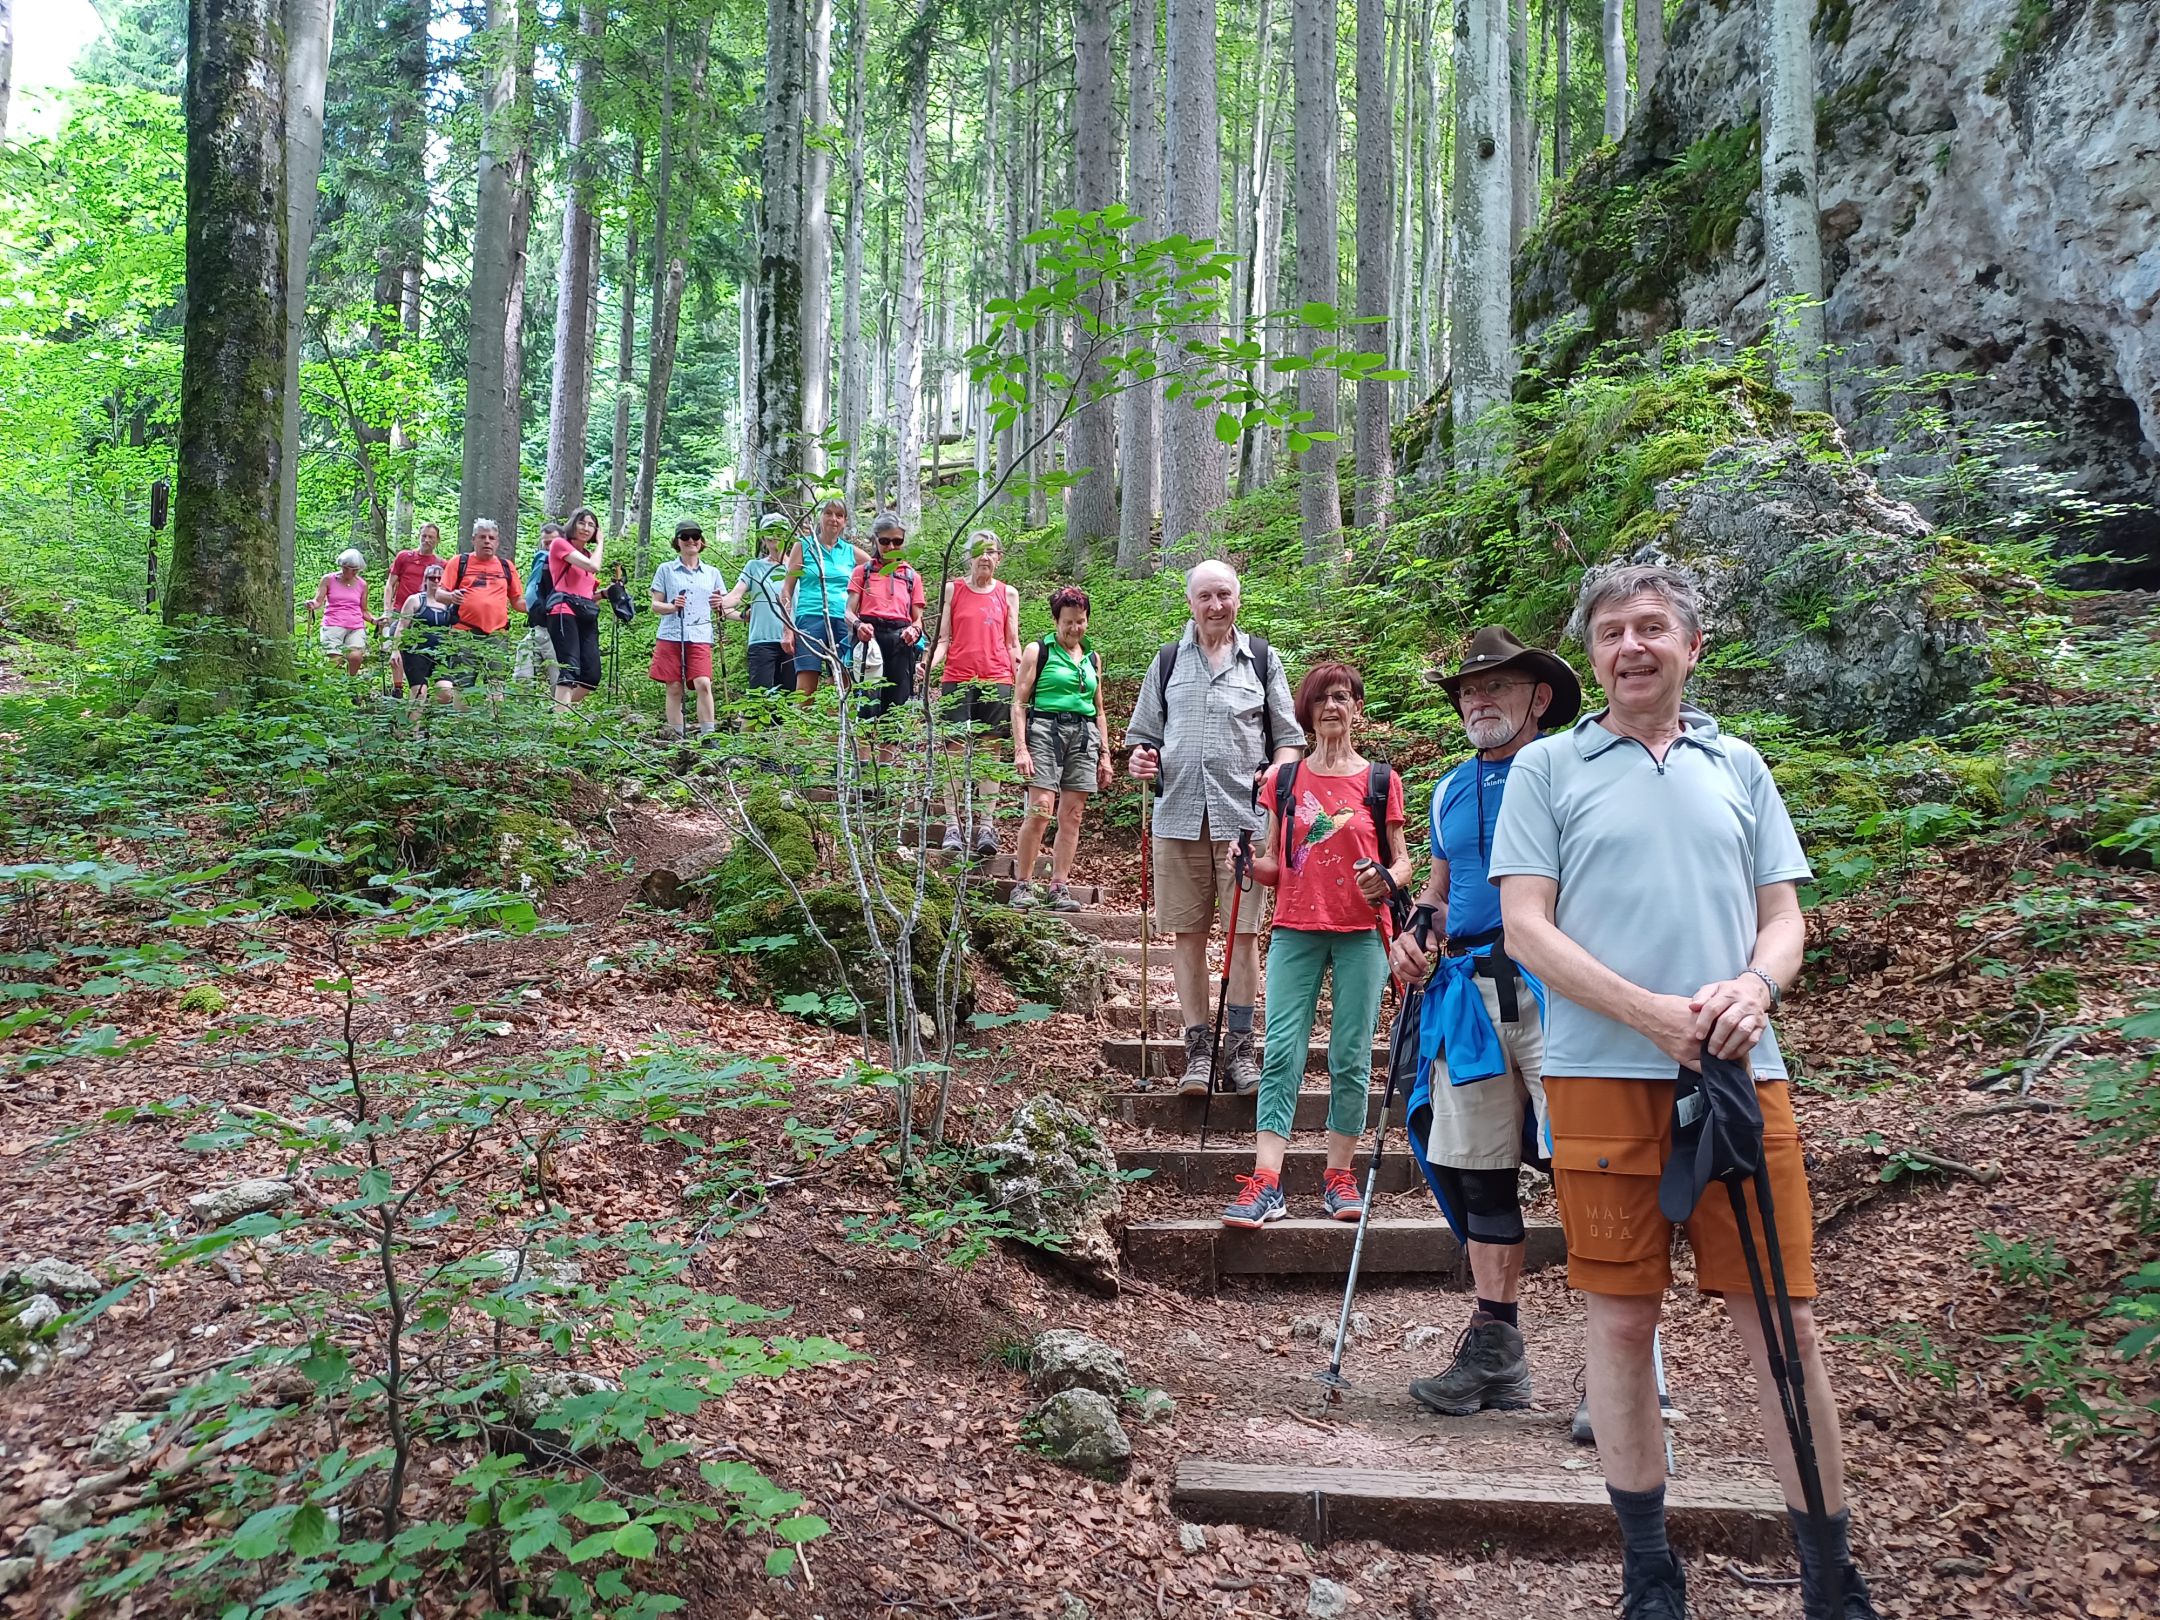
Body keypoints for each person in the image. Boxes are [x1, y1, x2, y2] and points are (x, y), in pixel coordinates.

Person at [1491, 564, 1878, 1620]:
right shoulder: (1548, 769)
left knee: (1787, 1330)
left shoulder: (1738, 765)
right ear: (1592, 656)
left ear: (1691, 646)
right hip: (1600, 1078)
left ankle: (1830, 1578)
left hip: (1743, 1077)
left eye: (1652, 627)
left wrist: (1756, 988)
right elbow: (1526, 926)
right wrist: (1649, 1014)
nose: (1631, 646)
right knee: (1621, 1326)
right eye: (1612, 631)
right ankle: (1650, 1571)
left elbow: (1784, 917)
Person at [1385, 626, 1580, 1415]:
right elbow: (1440, 893)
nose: (1478, 700)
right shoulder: (1450, 790)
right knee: (1478, 1169)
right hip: (1468, 992)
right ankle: (1498, 1350)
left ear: (1540, 697)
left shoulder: (1573, 774)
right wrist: (1414, 937)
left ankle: (1625, 1368)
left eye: (1496, 685)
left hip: (1561, 987)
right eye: (1468, 690)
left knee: (1589, 1162)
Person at [1219, 662, 1409, 1226]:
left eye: (1343, 697)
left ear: (1357, 709)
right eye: (1323, 699)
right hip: (1296, 928)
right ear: (1307, 711)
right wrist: (1246, 862)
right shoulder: (1285, 780)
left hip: (1362, 933)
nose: (1332, 707)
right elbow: (1276, 863)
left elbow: (1402, 862)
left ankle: (1338, 1176)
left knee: (1351, 1054)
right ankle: (1267, 1180)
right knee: (1282, 1050)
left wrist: (1387, 879)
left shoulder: (1380, 780)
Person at [1125, 560, 1304, 1094]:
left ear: (1237, 600)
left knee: (1242, 936)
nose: (1215, 605)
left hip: (1244, 823)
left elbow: (1289, 740)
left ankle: (1241, 1050)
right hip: (1177, 816)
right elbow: (1144, 737)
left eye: (1224, 594)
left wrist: (1278, 772)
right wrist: (1142, 759)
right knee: (1188, 936)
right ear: (1191, 603)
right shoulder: (1167, 661)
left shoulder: (1262, 661)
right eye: (1205, 596)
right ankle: (1197, 1050)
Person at [1008, 586, 1113, 910]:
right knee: (1041, 808)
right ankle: (1022, 884)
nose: (1075, 628)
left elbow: (1098, 709)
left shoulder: (1092, 657)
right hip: (1045, 730)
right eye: (1068, 622)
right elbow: (1018, 703)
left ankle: (1059, 886)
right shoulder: (1038, 651)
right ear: (1056, 620)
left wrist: (1105, 754)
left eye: (1080, 621)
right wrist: (1021, 748)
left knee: (1073, 815)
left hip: (1083, 736)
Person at [927, 529, 1021, 856]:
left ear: (999, 558)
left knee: (990, 751)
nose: (985, 557)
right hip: (957, 677)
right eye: (979, 551)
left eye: (991, 552)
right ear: (968, 556)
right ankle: (953, 825)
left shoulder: (1008, 593)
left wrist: (1022, 677)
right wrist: (928, 666)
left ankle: (987, 826)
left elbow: (1012, 642)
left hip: (997, 677)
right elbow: (943, 640)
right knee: (953, 751)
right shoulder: (953, 589)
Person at [782, 499, 868, 696]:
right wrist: (787, 629)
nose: (833, 519)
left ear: (845, 521)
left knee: (840, 685)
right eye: (828, 513)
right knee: (806, 687)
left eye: (839, 515)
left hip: (843, 621)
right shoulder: (803, 546)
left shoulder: (850, 552)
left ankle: (836, 718)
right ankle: (800, 718)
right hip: (809, 618)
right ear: (820, 517)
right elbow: (786, 589)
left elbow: (878, 570)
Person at [650, 518, 726, 738]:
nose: (691, 540)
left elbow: (723, 604)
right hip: (671, 634)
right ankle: (677, 737)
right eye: (685, 536)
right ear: (677, 541)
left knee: (703, 683)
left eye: (695, 536)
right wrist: (673, 606)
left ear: (701, 541)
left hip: (700, 634)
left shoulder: (712, 573)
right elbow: (656, 605)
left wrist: (725, 608)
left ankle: (709, 736)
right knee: (674, 686)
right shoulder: (666, 569)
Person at [848, 513, 927, 720]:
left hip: (900, 640)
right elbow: (848, 611)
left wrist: (914, 630)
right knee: (867, 702)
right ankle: (865, 741)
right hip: (869, 637)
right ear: (875, 540)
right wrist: (858, 625)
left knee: (896, 705)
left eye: (897, 541)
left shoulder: (911, 576)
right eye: (884, 541)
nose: (891, 547)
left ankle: (890, 742)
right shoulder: (862, 572)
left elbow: (917, 618)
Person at [437, 519, 523, 699]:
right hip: (464, 633)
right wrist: (451, 596)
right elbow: (439, 594)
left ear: (497, 542)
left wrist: (543, 608)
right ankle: (461, 717)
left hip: (497, 634)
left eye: (491, 538)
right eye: (482, 537)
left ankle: (493, 716)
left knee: (496, 683)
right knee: (462, 683)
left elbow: (518, 602)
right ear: (473, 539)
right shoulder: (460, 562)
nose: (487, 541)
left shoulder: (506, 566)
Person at [723, 514, 796, 694]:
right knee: (759, 699)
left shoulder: (798, 567)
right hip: (761, 641)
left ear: (787, 535)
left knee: (791, 698)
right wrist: (720, 602)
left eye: (779, 530)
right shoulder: (754, 567)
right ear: (762, 537)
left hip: (793, 640)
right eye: (768, 531)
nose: (774, 535)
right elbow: (735, 596)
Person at [544, 507, 606, 708]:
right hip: (563, 611)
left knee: (591, 675)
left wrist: (606, 593)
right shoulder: (560, 544)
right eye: (582, 523)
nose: (586, 528)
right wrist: (601, 542)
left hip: (585, 613)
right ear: (572, 524)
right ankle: (562, 720)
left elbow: (586, 595)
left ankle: (558, 709)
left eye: (591, 525)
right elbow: (593, 566)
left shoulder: (587, 554)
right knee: (569, 668)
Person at [384, 522, 444, 695]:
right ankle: (397, 688)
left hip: (426, 613)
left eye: (431, 537)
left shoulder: (440, 564)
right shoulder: (404, 557)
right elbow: (390, 584)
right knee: (396, 642)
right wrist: (387, 610)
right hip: (400, 610)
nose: (426, 540)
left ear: (437, 540)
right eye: (424, 536)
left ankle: (422, 686)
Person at [392, 561, 460, 711]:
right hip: (416, 652)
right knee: (419, 694)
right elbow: (402, 626)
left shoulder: (449, 605)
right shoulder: (415, 600)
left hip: (441, 653)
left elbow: (453, 628)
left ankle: (430, 714)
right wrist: (395, 649)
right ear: (425, 580)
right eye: (432, 578)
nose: (435, 581)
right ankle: (413, 725)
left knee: (446, 692)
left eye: (439, 578)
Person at [310, 550, 378, 677]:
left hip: (355, 626)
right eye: (347, 569)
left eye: (355, 570)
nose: (351, 572)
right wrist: (311, 604)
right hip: (333, 624)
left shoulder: (362, 584)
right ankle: (336, 685)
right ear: (341, 566)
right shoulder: (328, 579)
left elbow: (364, 610)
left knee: (355, 656)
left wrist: (374, 620)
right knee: (335, 661)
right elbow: (318, 601)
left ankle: (351, 682)